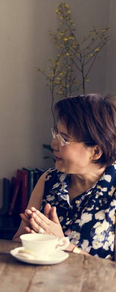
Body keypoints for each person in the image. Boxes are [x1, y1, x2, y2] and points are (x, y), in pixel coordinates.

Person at [13, 94, 116, 260]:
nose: (53, 143)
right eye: (56, 133)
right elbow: (18, 241)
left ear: (95, 151)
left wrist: (63, 245)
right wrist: (34, 237)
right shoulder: (49, 179)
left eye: (64, 139)